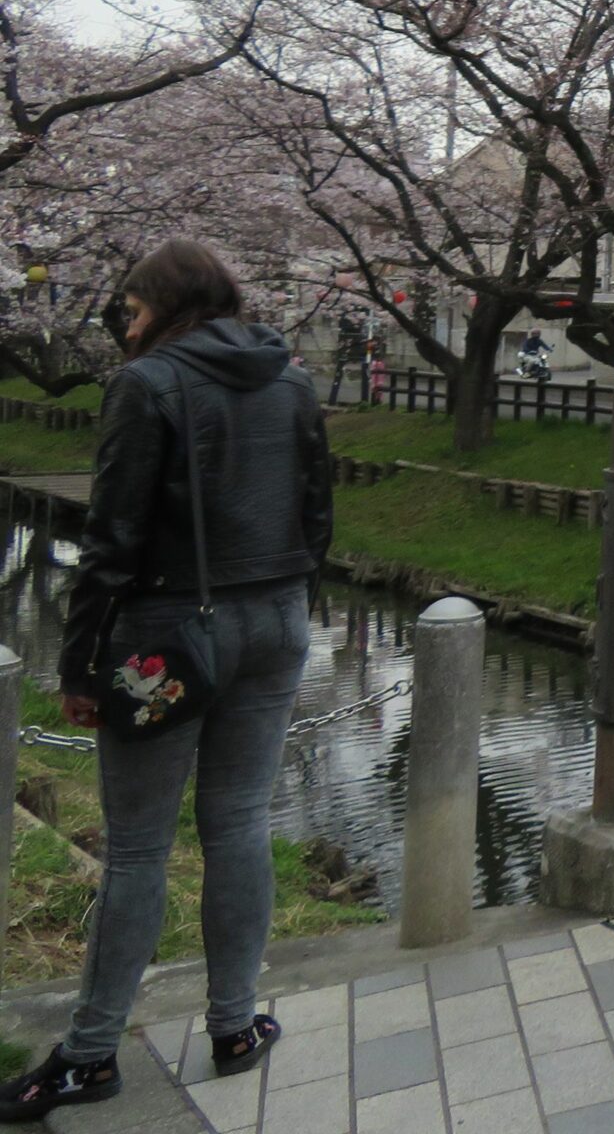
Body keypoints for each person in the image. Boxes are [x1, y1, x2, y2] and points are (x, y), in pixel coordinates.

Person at [2, 242, 332, 1124]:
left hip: (168, 636)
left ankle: (88, 1052)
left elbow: (110, 539)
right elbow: (317, 509)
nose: (125, 323)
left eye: (132, 308)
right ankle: (233, 1027)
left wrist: (78, 665)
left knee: (140, 845)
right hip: (278, 619)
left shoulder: (146, 386)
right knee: (237, 823)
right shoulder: (291, 379)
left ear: (166, 304)